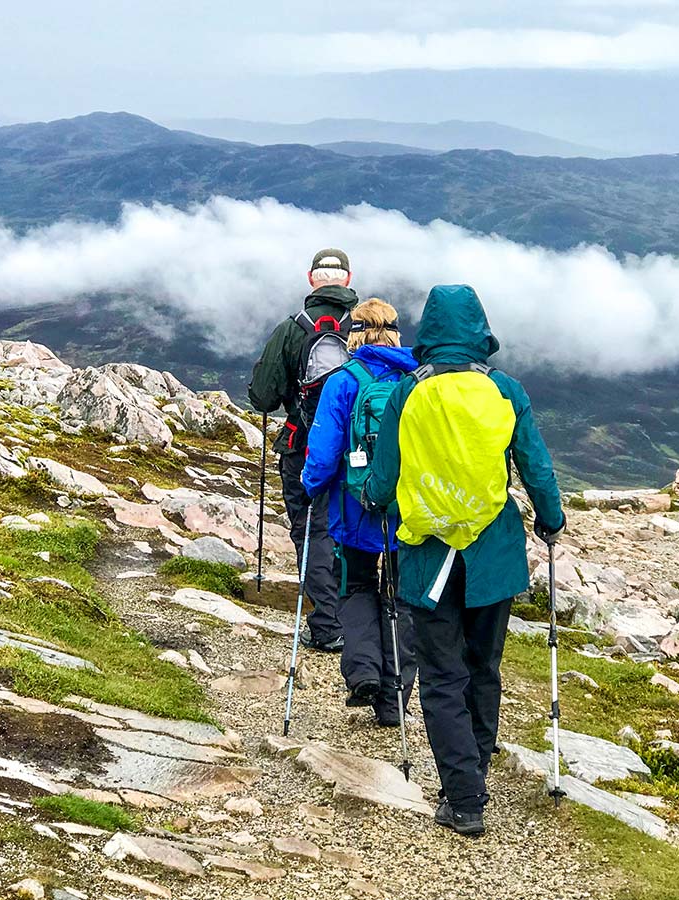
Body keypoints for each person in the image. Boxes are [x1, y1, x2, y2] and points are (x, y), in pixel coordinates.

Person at [364, 284, 565, 838]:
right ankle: (475, 765)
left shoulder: (408, 391)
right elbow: (535, 465)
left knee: (441, 673)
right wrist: (550, 519)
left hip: (429, 556)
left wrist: (373, 500)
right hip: (493, 557)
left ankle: (464, 796)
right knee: (484, 666)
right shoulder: (505, 390)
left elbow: (384, 476)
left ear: (429, 331)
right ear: (480, 330)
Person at [301, 298, 419, 723]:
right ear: (396, 332)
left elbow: (325, 448)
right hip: (409, 512)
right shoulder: (417, 380)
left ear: (354, 333)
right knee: (405, 600)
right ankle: (396, 702)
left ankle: (364, 673)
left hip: (356, 510)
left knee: (356, 587)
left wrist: (312, 487)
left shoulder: (344, 379)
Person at [248, 248, 358, 652]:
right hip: (361, 449)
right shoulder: (364, 327)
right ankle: (362, 624)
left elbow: (262, 397)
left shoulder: (292, 329)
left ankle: (327, 626)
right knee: (355, 533)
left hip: (304, 446)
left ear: (312, 279)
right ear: (348, 280)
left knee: (312, 531)